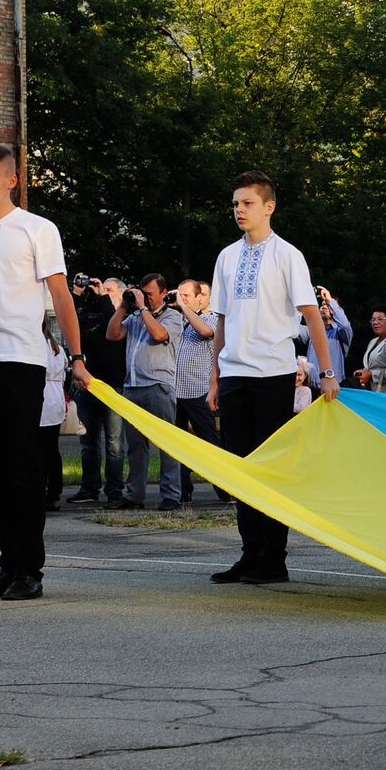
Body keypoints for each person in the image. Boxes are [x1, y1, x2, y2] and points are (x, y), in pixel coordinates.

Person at [0, 143, 90, 601]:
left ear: (12, 179)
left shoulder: (37, 229)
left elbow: (61, 295)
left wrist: (77, 356)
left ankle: (30, 569)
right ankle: (7, 565)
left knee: (23, 468)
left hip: (22, 360)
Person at [207, 171, 339, 585]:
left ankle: (273, 557)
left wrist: (327, 371)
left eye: (247, 203)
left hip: (274, 373)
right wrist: (214, 376)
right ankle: (250, 554)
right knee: (241, 470)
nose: (239, 210)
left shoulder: (288, 255)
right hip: (234, 374)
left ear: (269, 206)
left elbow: (312, 316)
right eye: (234, 203)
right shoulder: (227, 256)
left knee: (271, 468)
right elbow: (222, 321)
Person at [107, 272, 185, 511]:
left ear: (163, 292)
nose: (147, 298)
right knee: (136, 447)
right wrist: (123, 306)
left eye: (150, 294)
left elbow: (159, 334)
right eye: (144, 294)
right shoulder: (135, 315)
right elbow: (112, 334)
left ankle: (171, 494)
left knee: (167, 444)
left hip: (158, 386)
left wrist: (142, 309)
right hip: (133, 387)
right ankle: (135, 495)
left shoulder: (172, 316)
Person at [67, 278, 126, 507]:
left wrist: (103, 297)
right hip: (88, 385)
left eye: (110, 290)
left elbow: (113, 324)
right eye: (103, 290)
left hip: (114, 387)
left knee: (114, 443)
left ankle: (115, 491)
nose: (103, 293)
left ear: (120, 295)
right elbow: (69, 320)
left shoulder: (125, 318)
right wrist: (77, 293)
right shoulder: (92, 316)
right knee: (88, 442)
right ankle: (89, 487)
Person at [171, 278, 222, 503]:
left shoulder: (210, 317)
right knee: (177, 446)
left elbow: (205, 331)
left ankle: (226, 489)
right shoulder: (175, 320)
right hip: (175, 392)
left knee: (209, 444)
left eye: (186, 296)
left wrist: (182, 307)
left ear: (199, 298)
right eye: (179, 295)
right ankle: (182, 490)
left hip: (199, 391)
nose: (180, 300)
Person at [39, 315, 69, 511]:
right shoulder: (55, 344)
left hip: (42, 396)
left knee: (40, 449)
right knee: (51, 448)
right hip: (55, 397)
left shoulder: (37, 343)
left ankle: (45, 490)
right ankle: (54, 491)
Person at [350, 304, 386, 392]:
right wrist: (362, 373)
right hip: (371, 390)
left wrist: (371, 374)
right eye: (373, 319)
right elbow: (370, 366)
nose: (375, 322)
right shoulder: (372, 342)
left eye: (380, 319)